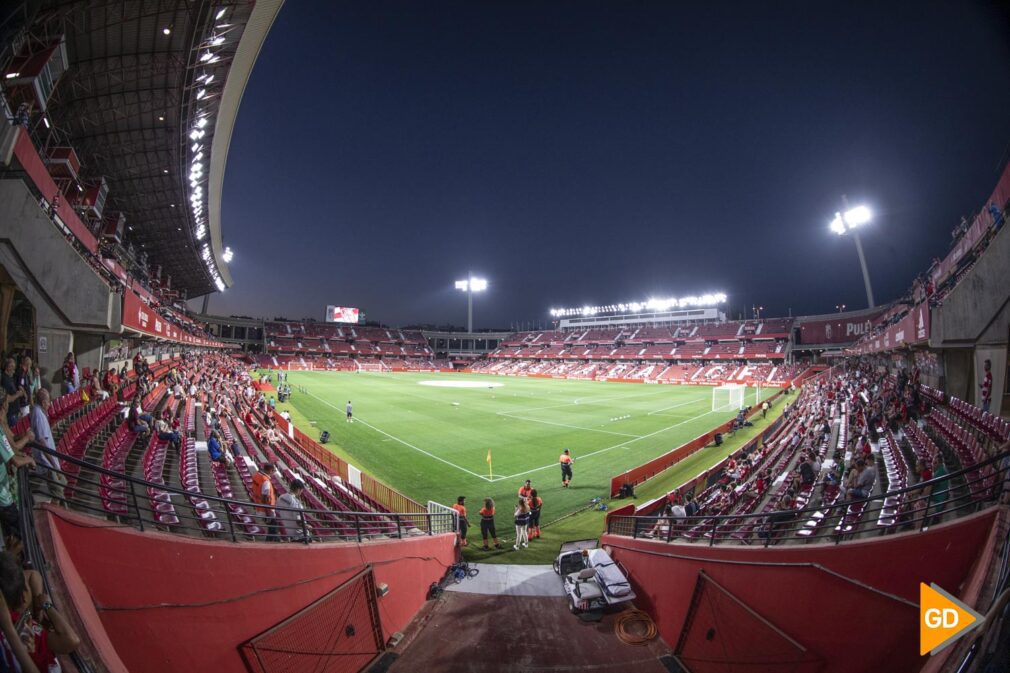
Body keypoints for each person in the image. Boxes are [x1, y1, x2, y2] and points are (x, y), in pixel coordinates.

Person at [0, 553, 80, 672]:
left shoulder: (22, 617)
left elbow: (34, 575)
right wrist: (46, 605)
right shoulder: (13, 631)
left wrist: (38, 610)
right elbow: (71, 641)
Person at [0, 398, 36, 544]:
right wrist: (29, 460)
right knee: (24, 533)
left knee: (12, 532)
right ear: (2, 408)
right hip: (3, 497)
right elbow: (14, 458)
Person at [29, 389, 67, 503]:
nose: (50, 404)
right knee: (58, 493)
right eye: (49, 402)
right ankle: (56, 514)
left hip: (50, 462)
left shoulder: (39, 411)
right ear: (43, 402)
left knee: (63, 484)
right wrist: (54, 464)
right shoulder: (38, 414)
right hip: (47, 463)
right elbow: (42, 442)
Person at [252, 463, 280, 541]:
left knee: (272, 528)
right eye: (273, 471)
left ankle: (273, 541)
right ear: (270, 471)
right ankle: (270, 542)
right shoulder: (266, 481)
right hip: (267, 509)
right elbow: (265, 497)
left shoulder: (257, 475)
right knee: (273, 528)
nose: (274, 473)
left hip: (259, 506)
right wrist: (268, 512)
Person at [0, 360, 23, 430]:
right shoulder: (4, 379)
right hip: (10, 414)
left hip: (14, 412)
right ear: (8, 367)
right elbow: (5, 398)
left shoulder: (9, 378)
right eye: (13, 368)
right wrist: (18, 395)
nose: (14, 371)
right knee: (13, 435)